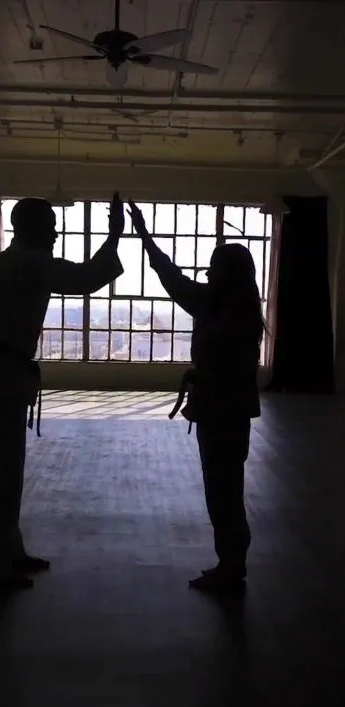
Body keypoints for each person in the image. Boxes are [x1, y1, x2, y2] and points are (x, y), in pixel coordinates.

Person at [0, 193, 125, 592]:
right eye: (50, 225)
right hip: (1, 372)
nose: (55, 233)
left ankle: (6, 554)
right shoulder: (27, 263)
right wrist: (115, 235)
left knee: (4, 470)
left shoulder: (13, 260)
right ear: (31, 227)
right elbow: (85, 279)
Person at [128, 200, 263, 593]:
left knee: (221, 491)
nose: (207, 272)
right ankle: (232, 563)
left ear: (226, 274)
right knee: (227, 489)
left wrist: (144, 235)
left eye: (214, 266)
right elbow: (173, 276)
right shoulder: (241, 310)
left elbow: (170, 276)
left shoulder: (214, 306)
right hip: (231, 413)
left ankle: (231, 565)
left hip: (219, 411)